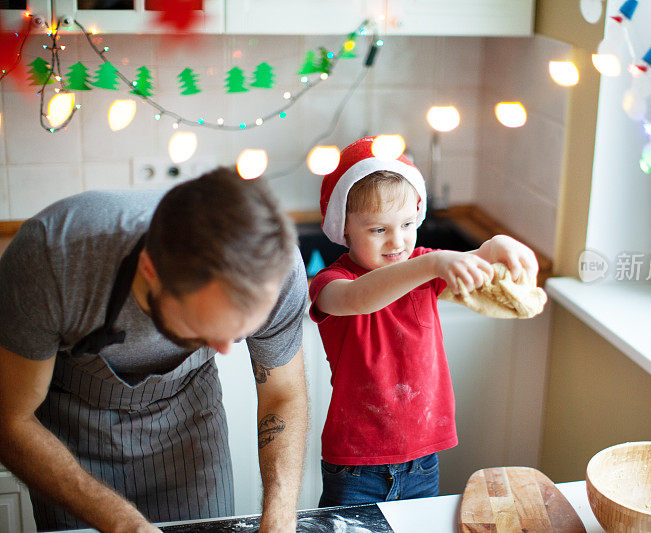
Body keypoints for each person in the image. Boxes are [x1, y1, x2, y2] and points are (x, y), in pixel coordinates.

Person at [0, 168, 308, 532]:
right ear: (150, 270)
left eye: (239, 332)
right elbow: (10, 420)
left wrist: (280, 515)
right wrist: (124, 524)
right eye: (204, 328)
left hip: (190, 424)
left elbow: (282, 393)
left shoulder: (279, 267)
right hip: (69, 436)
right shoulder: (52, 258)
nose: (225, 350)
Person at [308, 136, 539, 507]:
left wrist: (495, 247)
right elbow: (360, 299)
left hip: (422, 460)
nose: (397, 241)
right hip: (356, 466)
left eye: (407, 223)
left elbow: (475, 264)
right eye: (378, 229)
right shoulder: (332, 284)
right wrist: (431, 263)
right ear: (344, 228)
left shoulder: (424, 266)